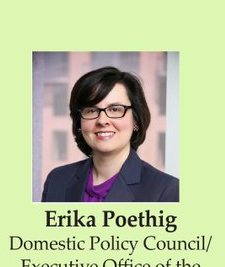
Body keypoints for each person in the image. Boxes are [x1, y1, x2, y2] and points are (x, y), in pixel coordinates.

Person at [41, 66, 178, 202]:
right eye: (91, 110)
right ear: (79, 122)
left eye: (115, 109)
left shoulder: (166, 190)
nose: (102, 121)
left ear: (136, 120)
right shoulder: (57, 180)